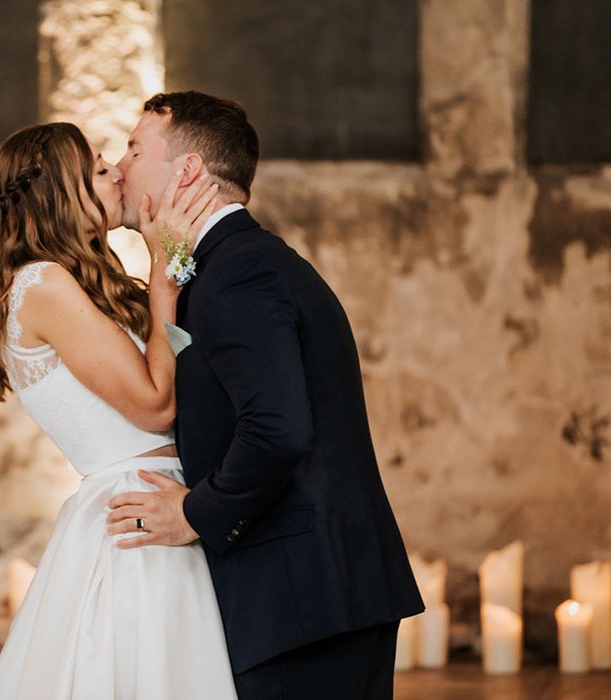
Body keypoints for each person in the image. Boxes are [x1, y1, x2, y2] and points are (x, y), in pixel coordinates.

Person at [0, 122, 238, 700]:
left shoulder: (68, 282)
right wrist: (165, 272)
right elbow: (155, 405)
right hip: (136, 511)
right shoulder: (42, 283)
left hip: (152, 499)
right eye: (100, 170)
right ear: (61, 193)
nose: (117, 174)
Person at [107, 91, 425, 700]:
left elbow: (277, 428)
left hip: (302, 601)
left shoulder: (240, 273)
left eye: (135, 148)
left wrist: (193, 513)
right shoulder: (225, 265)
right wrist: (166, 265)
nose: (121, 166)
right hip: (304, 598)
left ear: (189, 171)